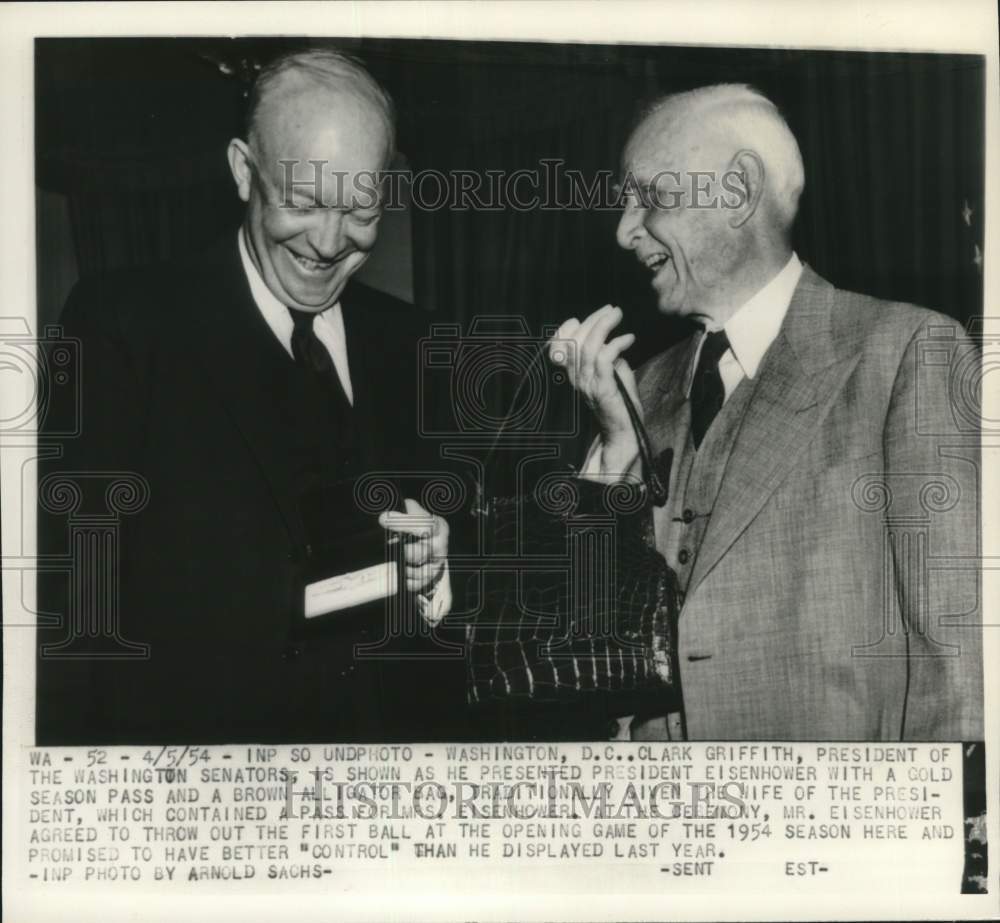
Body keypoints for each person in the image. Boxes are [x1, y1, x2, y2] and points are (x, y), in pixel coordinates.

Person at [36, 48, 463, 745]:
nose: (329, 242)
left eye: (360, 209)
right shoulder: (124, 325)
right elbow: (72, 602)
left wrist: (435, 578)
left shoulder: (418, 344)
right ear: (243, 170)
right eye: (304, 202)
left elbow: (455, 606)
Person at [550, 84, 983, 741]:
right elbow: (586, 649)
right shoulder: (640, 389)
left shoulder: (907, 352)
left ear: (738, 190)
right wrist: (613, 456)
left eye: (649, 197)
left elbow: (958, 664)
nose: (624, 230)